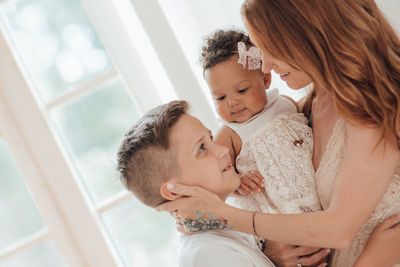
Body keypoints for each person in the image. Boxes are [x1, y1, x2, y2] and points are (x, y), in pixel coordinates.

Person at [156, 1, 400, 266]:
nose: (265, 66)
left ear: (309, 34)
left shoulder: (373, 102)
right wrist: (270, 253)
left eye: (270, 49)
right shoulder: (309, 106)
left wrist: (220, 214)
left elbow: (339, 230)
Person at [200, 29, 328, 266]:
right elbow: (217, 182)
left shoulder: (286, 105)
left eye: (242, 90)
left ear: (266, 79)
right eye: (219, 98)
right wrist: (239, 182)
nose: (232, 102)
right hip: (278, 213)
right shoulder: (229, 134)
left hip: (316, 199)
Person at [116, 100, 275, 267]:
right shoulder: (208, 256)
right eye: (201, 148)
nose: (223, 150)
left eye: (211, 138)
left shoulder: (230, 227)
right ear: (173, 191)